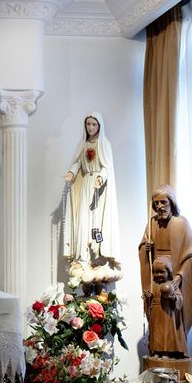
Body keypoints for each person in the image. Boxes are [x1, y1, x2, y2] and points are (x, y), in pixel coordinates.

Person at [138, 184, 192, 357]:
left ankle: (174, 351)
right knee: (157, 316)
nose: (160, 207)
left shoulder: (181, 224)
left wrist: (179, 277)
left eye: (163, 202)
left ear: (171, 202)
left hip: (173, 277)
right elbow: (143, 250)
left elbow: (191, 255)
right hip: (157, 277)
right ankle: (157, 349)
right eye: (156, 203)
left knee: (172, 315)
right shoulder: (152, 223)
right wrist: (146, 248)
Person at [63, 112, 120, 277]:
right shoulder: (83, 144)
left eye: (93, 124)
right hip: (86, 185)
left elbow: (106, 167)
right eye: (88, 124)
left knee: (97, 221)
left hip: (98, 188)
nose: (90, 127)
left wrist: (101, 177)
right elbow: (77, 163)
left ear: (99, 126)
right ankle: (82, 257)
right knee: (83, 221)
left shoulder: (104, 144)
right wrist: (71, 173)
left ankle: (98, 256)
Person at [146, 256, 187, 357]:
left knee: (167, 333)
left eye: (162, 272)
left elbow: (179, 298)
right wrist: (148, 297)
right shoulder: (153, 285)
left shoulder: (171, 285)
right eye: (156, 272)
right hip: (156, 313)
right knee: (156, 333)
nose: (159, 275)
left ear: (168, 272)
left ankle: (167, 352)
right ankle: (156, 351)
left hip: (167, 313)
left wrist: (173, 297)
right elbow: (150, 298)